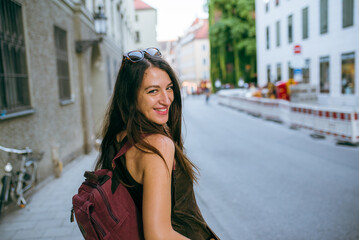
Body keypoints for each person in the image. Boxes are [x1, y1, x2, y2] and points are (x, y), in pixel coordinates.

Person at [95, 47, 219, 240]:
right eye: (153, 91)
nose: (166, 99)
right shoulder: (157, 145)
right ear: (131, 97)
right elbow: (158, 236)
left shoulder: (118, 137)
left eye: (169, 88)